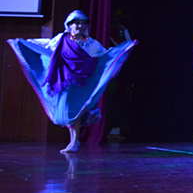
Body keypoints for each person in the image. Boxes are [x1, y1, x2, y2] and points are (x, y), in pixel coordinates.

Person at [6, 10, 137, 153]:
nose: (80, 26)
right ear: (69, 26)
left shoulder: (91, 44)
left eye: (83, 23)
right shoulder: (60, 39)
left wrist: (120, 51)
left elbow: (103, 57)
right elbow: (47, 46)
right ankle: (74, 141)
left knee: (76, 110)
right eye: (77, 23)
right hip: (65, 81)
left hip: (81, 82)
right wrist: (24, 44)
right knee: (67, 112)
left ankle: (74, 141)